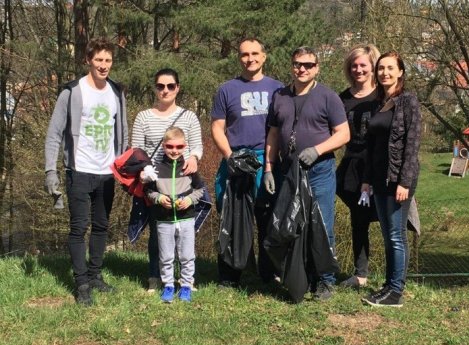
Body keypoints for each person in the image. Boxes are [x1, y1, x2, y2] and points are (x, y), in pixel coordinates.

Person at [44, 37, 128, 305]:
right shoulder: (72, 91)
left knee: (102, 227)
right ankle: (81, 284)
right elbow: (54, 135)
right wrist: (50, 172)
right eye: (99, 60)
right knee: (79, 227)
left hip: (107, 173)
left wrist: (123, 168)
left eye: (108, 60)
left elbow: (122, 133)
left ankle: (95, 276)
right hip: (79, 170)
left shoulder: (116, 92)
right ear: (88, 61)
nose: (104, 65)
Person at [265, 46, 350, 300]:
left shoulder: (328, 97)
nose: (302, 69)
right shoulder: (279, 96)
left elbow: (344, 134)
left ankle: (325, 280)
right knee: (291, 224)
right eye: (297, 64)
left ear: (317, 68)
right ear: (291, 66)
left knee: (322, 225)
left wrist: (317, 149)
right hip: (288, 171)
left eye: (308, 65)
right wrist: (269, 167)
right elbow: (272, 134)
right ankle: (298, 276)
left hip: (319, 170)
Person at [211, 37, 283, 287]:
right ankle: (230, 276)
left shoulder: (278, 89)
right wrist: (230, 156)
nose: (250, 58)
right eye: (244, 54)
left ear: (264, 56)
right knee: (231, 217)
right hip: (235, 159)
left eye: (255, 53)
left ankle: (268, 273)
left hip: (267, 161)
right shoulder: (226, 89)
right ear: (238, 58)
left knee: (267, 217)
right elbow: (217, 128)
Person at [132, 68, 203, 293]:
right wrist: (144, 173)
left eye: (170, 86)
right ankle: (156, 276)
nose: (165, 90)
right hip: (156, 181)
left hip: (184, 179)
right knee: (158, 230)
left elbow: (197, 145)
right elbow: (136, 149)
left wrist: (193, 158)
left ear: (177, 88)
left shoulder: (189, 116)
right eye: (160, 86)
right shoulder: (143, 116)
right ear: (155, 88)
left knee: (185, 232)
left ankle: (186, 280)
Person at [361, 51, 421, 307]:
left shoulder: (408, 101)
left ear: (400, 72)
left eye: (390, 68)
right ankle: (388, 286)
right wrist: (366, 180)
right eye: (381, 68)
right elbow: (371, 145)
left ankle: (396, 292)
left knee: (397, 236)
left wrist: (405, 182)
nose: (384, 72)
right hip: (379, 179)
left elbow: (412, 143)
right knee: (388, 235)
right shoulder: (378, 103)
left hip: (398, 179)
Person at [336, 44, 381, 289]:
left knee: (389, 223)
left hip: (379, 166)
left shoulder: (383, 97)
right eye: (354, 65)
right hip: (352, 167)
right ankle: (360, 274)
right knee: (358, 222)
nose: (358, 69)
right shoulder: (342, 99)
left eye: (363, 64)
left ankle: (395, 279)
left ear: (373, 67)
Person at [144, 127, 204, 303]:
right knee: (166, 255)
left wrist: (189, 200)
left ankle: (186, 286)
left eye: (179, 147)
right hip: (164, 220)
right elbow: (148, 191)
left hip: (186, 218)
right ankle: (168, 285)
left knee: (186, 255)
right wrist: (160, 198)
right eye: (170, 146)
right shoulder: (155, 169)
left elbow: (200, 190)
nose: (174, 150)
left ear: (185, 147)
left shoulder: (189, 168)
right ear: (163, 146)